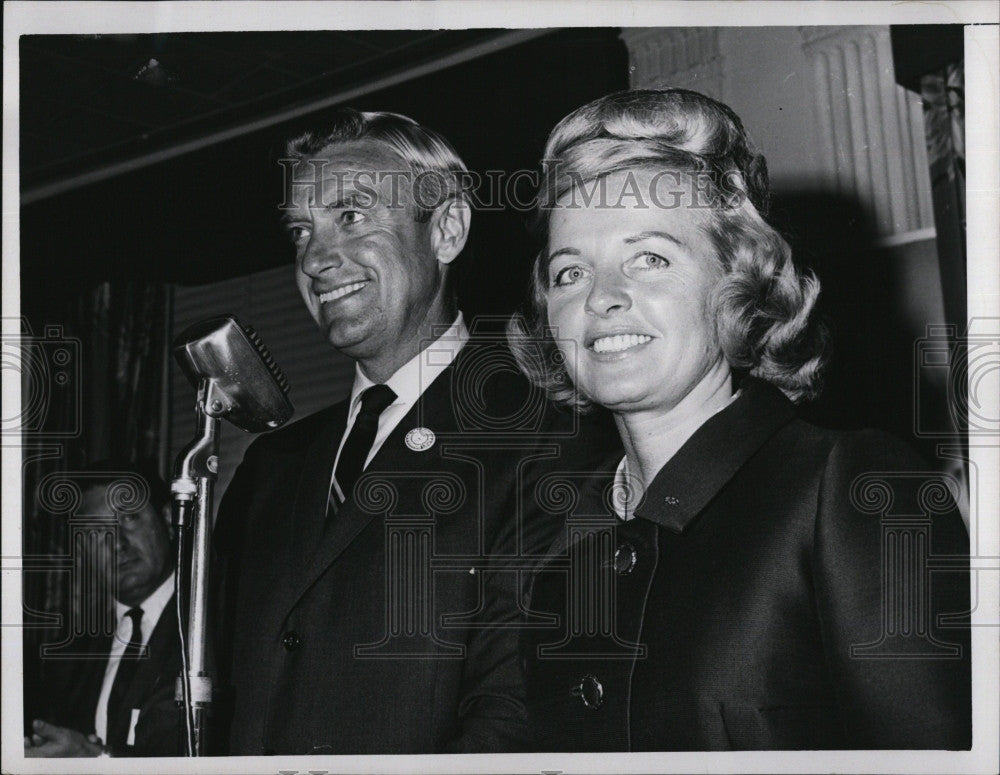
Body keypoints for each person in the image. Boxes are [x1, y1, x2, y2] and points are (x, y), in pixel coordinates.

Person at [510, 89, 971, 750]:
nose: (602, 298)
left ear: (736, 282)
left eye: (650, 259)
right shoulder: (558, 563)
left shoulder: (850, 487)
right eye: (570, 270)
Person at [212, 109, 610, 754]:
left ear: (446, 229)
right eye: (300, 232)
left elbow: (515, 713)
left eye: (351, 216)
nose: (315, 258)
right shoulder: (272, 464)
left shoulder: (547, 436)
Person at [25, 460, 182, 757]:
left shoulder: (212, 628)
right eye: (97, 532)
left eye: (129, 517)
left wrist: (100, 760)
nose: (117, 544)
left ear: (168, 519)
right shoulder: (67, 656)